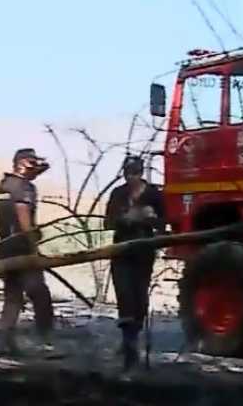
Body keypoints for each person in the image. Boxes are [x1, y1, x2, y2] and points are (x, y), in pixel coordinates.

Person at [104, 155, 165, 370]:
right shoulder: (118, 193)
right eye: (127, 173)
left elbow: (163, 223)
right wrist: (126, 217)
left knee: (140, 297)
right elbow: (108, 222)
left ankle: (133, 339)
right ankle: (129, 346)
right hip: (121, 251)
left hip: (144, 253)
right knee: (124, 295)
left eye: (135, 173)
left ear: (141, 173)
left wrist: (151, 220)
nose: (131, 177)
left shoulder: (154, 194)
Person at [0, 148, 54, 355]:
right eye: (32, 162)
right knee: (39, 294)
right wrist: (33, 245)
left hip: (5, 248)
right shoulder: (24, 187)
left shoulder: (6, 184)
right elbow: (23, 214)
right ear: (22, 163)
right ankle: (46, 342)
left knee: (13, 296)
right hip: (21, 247)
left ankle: (5, 343)